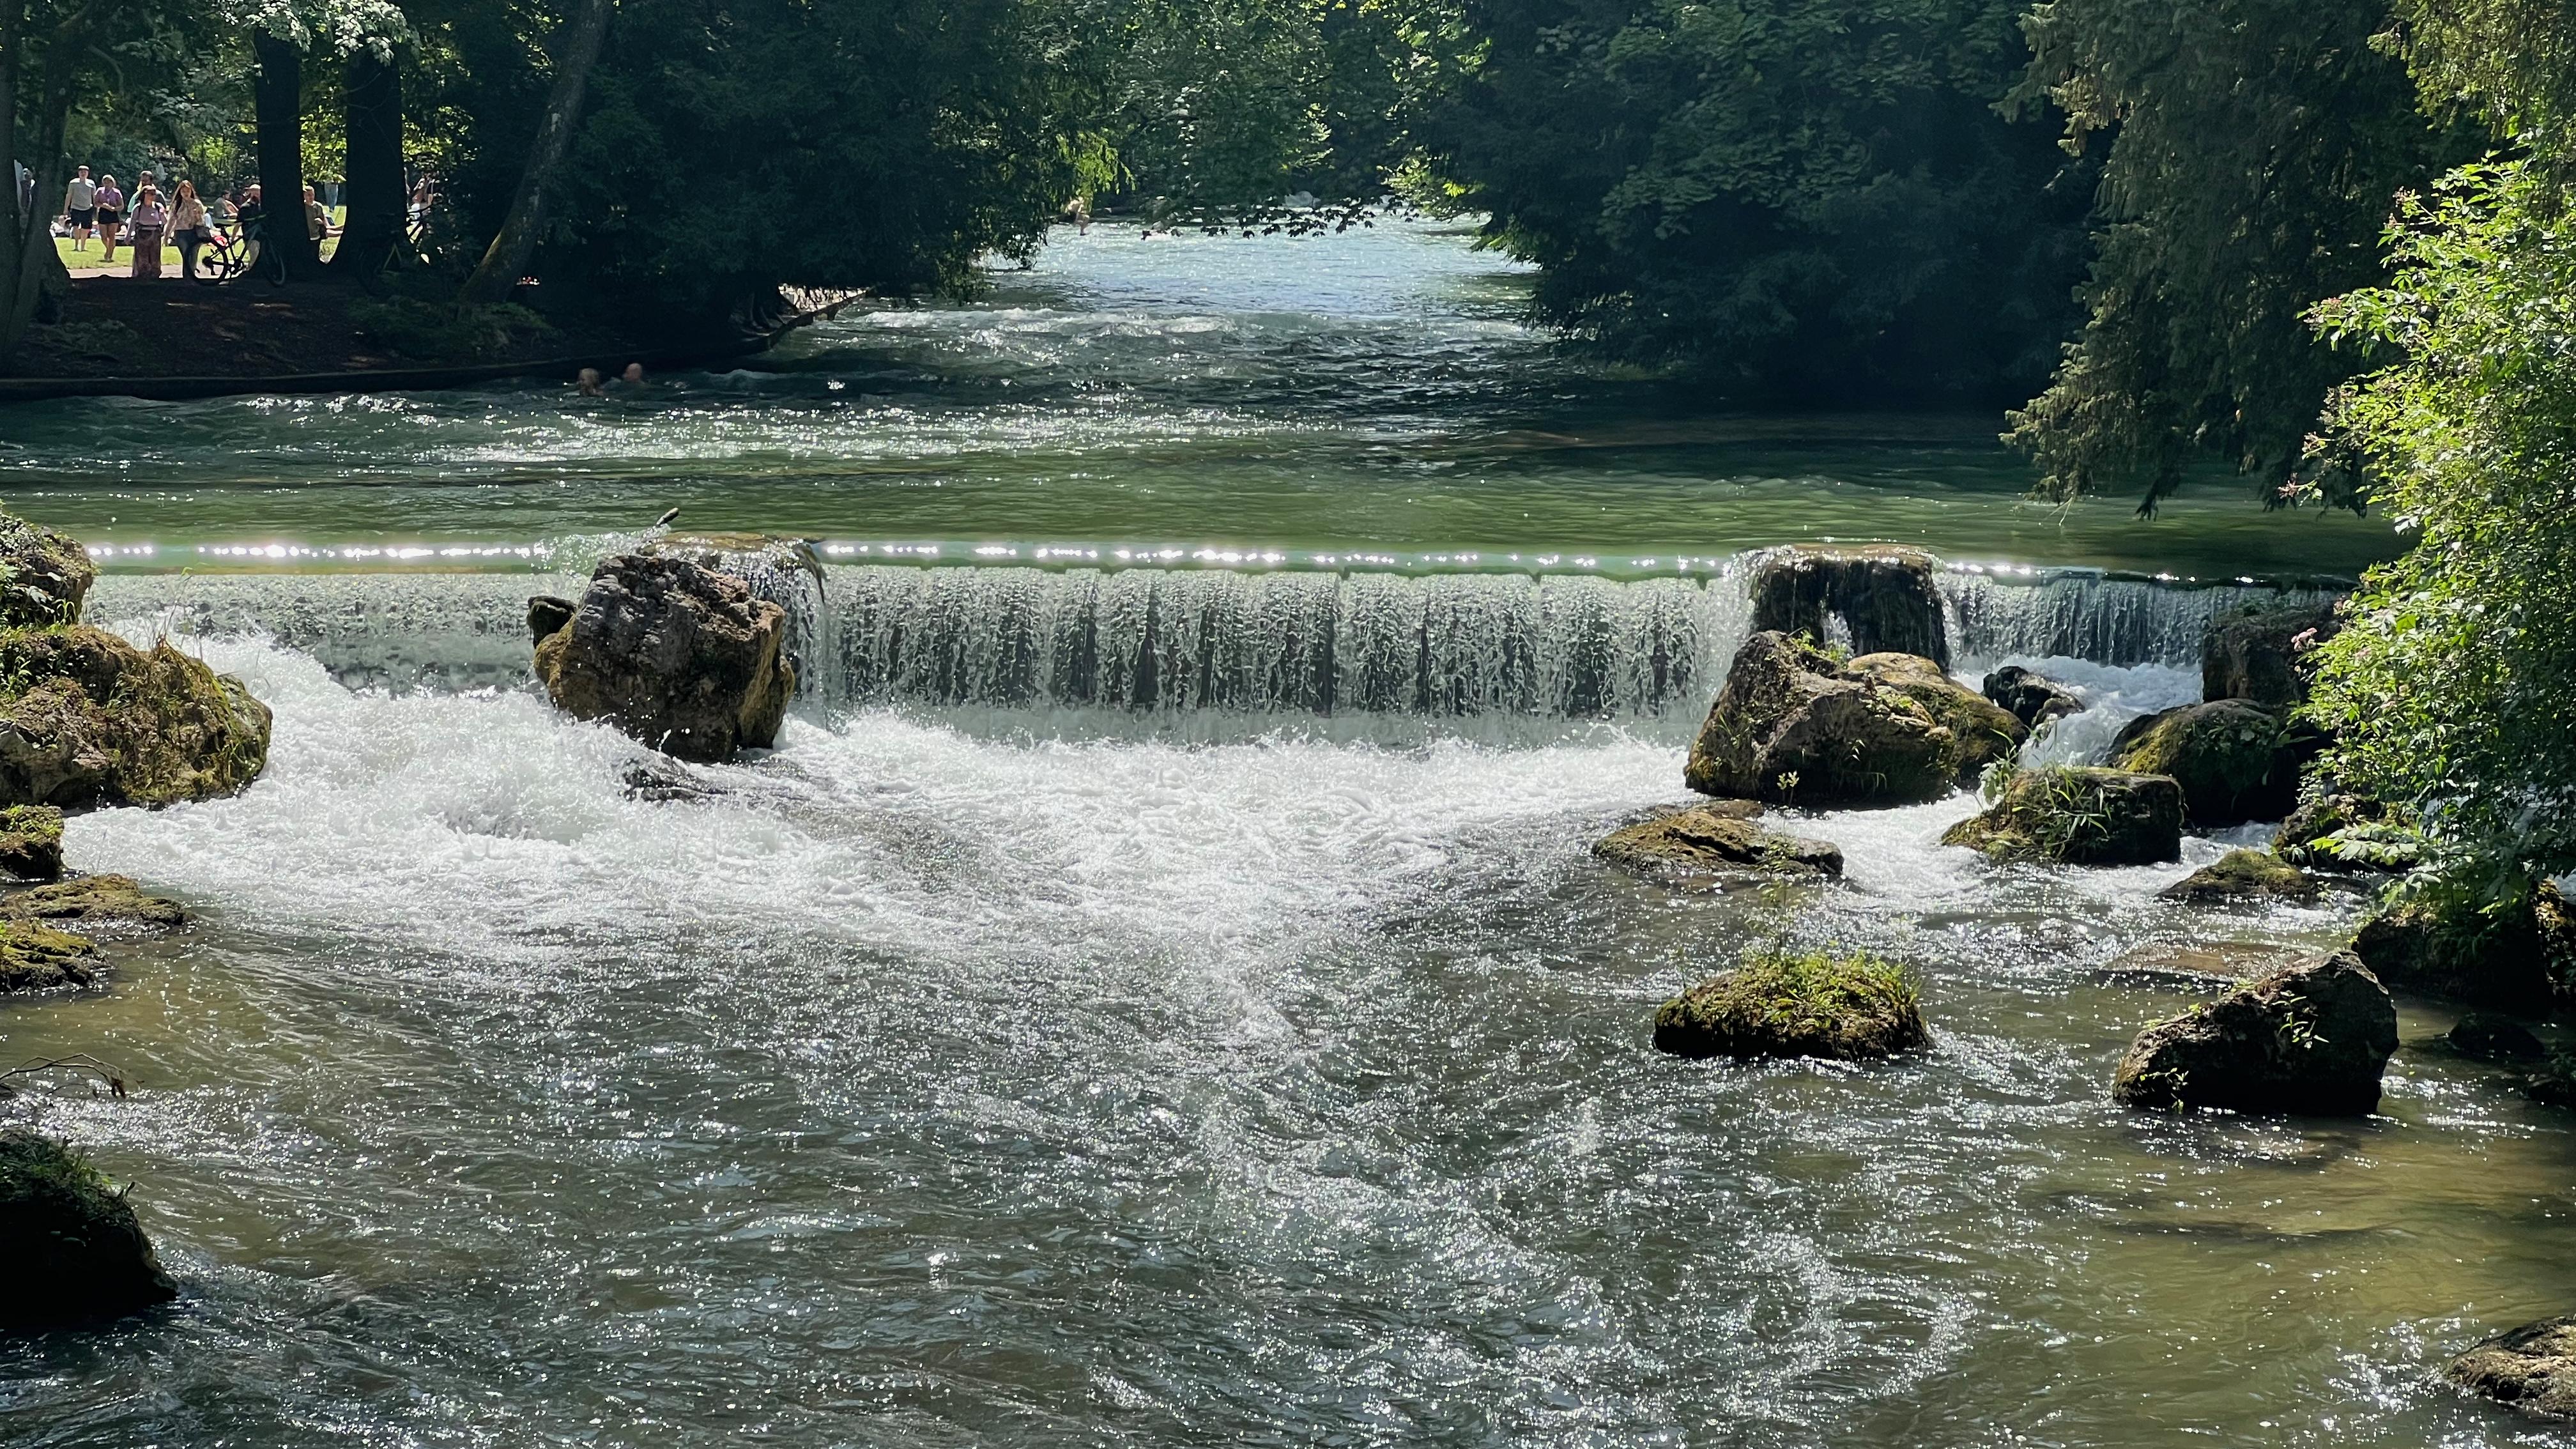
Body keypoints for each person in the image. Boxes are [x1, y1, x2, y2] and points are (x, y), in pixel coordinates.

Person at [167, 181, 210, 280]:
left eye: (188, 191)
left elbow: (202, 221)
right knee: (186, 254)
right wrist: (167, 235)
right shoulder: (177, 204)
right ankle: (186, 277)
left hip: (194, 232)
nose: (186, 193)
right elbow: (171, 220)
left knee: (194, 255)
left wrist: (197, 216)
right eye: (183, 191)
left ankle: (192, 277)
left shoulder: (197, 204)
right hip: (181, 232)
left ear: (191, 191)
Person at [126, 185, 167, 279]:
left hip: (155, 235)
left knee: (155, 257)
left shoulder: (158, 207)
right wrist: (128, 236)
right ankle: (142, 275)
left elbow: (165, 222)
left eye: (154, 194)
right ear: (144, 194)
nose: (153, 196)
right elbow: (132, 223)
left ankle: (155, 275)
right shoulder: (138, 208)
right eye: (151, 194)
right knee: (142, 257)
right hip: (142, 235)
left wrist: (162, 214)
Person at [63, 167, 96, 252]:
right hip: (76, 207)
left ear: (88, 173)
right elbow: (69, 195)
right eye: (81, 172)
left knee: (86, 228)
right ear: (78, 173)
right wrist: (66, 209)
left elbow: (94, 196)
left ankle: (83, 246)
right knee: (76, 227)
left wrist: (97, 208)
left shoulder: (91, 183)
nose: (83, 173)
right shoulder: (73, 183)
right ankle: (76, 245)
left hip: (88, 208)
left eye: (85, 172)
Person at [93, 174, 122, 263]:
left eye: (109, 182)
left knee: (112, 235)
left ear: (112, 183)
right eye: (105, 182)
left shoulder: (116, 192)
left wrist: (113, 208)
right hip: (103, 213)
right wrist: (103, 205)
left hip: (113, 214)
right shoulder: (100, 191)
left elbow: (121, 206)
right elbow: (95, 203)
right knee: (104, 236)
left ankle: (110, 254)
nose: (107, 184)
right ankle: (109, 249)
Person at [303, 185, 330, 253]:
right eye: (308, 195)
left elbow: (323, 219)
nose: (311, 197)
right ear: (304, 196)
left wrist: (323, 224)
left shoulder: (318, 206)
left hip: (316, 235)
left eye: (312, 194)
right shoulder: (302, 206)